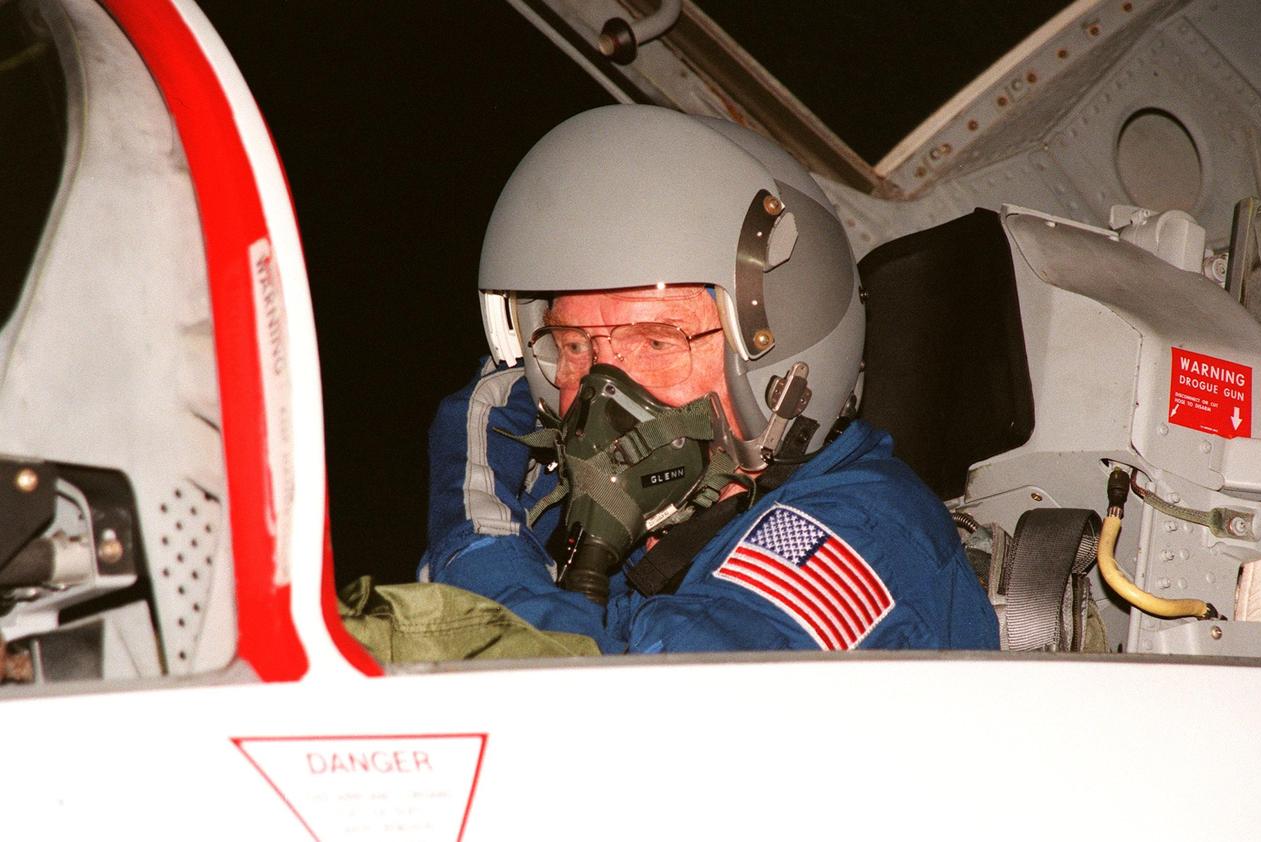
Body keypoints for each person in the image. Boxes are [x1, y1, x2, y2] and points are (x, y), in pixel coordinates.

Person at [419, 104, 997, 655]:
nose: (600, 391)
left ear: (780, 368)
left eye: (655, 342)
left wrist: (477, 544)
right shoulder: (657, 552)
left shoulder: (850, 537)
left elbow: (618, 719)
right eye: (574, 346)